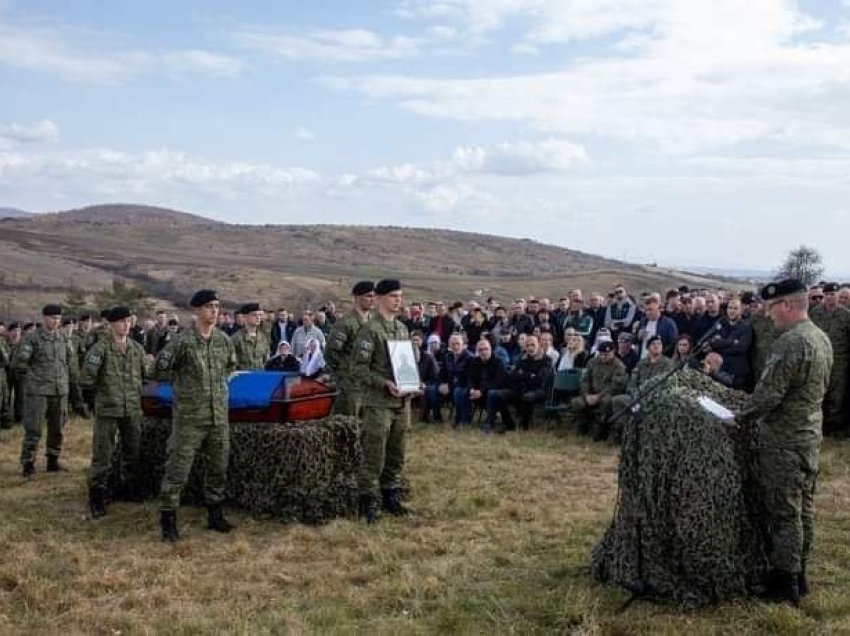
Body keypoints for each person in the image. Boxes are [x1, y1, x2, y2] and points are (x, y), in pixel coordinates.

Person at [737, 279, 832, 606]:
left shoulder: (790, 342)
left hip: (784, 442)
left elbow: (768, 396)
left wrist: (737, 416)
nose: (767, 313)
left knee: (784, 513)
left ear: (787, 305)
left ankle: (784, 582)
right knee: (802, 508)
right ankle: (799, 575)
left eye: (771, 307)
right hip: (808, 438)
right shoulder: (820, 338)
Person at [155, 290, 237, 542]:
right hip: (190, 418)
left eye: (217, 306)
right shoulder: (182, 342)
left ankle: (214, 514)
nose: (214, 311)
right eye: (209, 306)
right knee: (178, 469)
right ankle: (168, 519)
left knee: (218, 467)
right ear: (197, 311)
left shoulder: (224, 340)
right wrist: (184, 389)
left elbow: (231, 366)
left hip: (217, 417)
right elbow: (159, 369)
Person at [351, 279, 414, 524]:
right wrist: (384, 383)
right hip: (378, 403)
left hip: (401, 402)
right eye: (393, 296)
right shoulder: (370, 331)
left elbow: (407, 364)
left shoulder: (401, 329)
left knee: (397, 452)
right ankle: (368, 501)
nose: (398, 300)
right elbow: (358, 369)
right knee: (373, 455)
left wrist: (412, 383)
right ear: (379, 299)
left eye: (400, 295)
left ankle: (391, 495)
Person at [80, 306, 150, 518]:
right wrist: (100, 399)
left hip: (131, 409)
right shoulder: (99, 350)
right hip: (108, 410)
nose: (126, 325)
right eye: (121, 321)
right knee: (103, 454)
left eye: (128, 321)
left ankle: (127, 489)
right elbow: (86, 380)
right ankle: (97, 496)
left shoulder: (136, 349)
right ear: (111, 324)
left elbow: (145, 376)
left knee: (132, 451)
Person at [13, 304, 77, 477]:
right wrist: (34, 379)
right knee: (34, 428)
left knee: (57, 428)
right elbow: (19, 364)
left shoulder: (63, 338)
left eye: (58, 318)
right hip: (38, 391)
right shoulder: (32, 338)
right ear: (44, 318)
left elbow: (70, 361)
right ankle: (28, 463)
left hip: (59, 390)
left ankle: (52, 461)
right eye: (52, 318)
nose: (56, 321)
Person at [325, 281, 375, 417]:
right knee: (347, 423)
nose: (372, 299)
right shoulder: (345, 323)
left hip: (368, 382)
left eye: (374, 296)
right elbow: (331, 353)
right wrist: (343, 374)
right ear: (357, 297)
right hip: (349, 384)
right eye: (368, 296)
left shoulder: (373, 322)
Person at [230, 303, 270, 370]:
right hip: (244, 377)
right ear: (245, 317)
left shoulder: (263, 338)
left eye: (259, 315)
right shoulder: (236, 338)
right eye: (254, 315)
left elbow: (266, 360)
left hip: (260, 376)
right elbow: (231, 363)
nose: (258, 318)